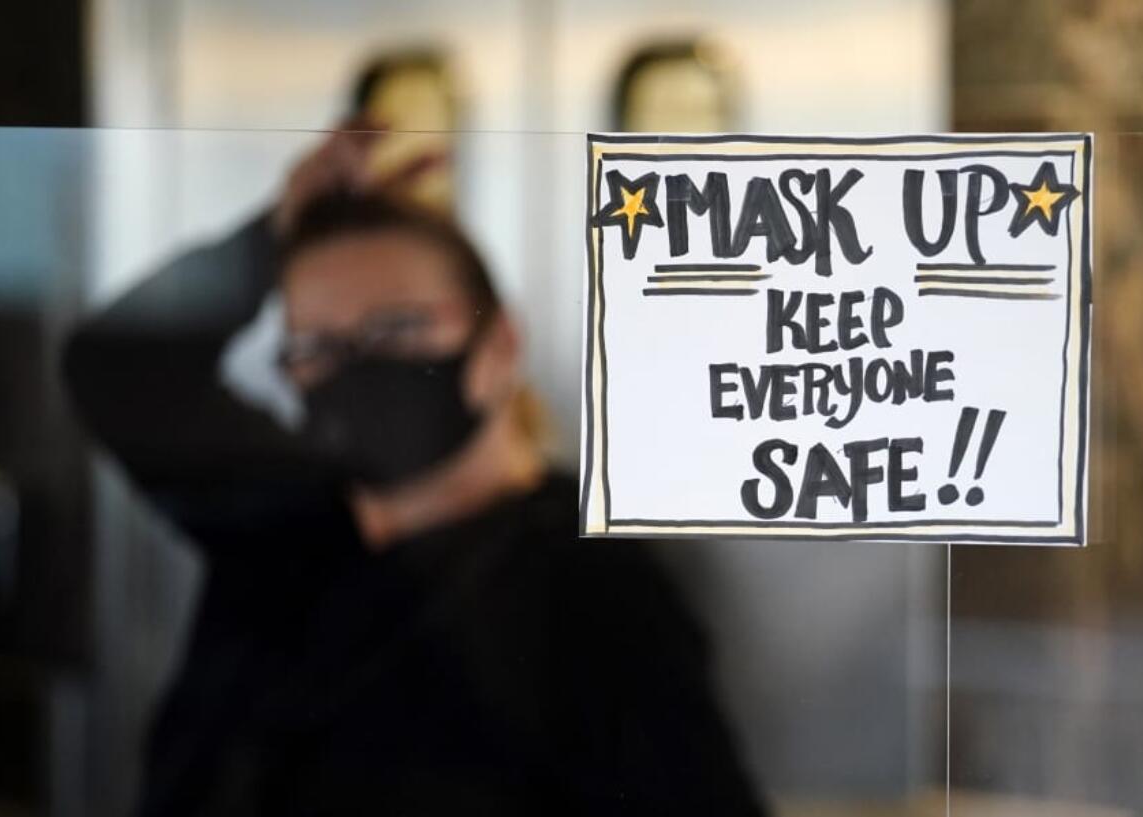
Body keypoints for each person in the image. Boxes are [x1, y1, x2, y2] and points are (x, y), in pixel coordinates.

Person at [63, 128, 764, 816]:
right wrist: (271, 231)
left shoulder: (592, 590)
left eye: (397, 328)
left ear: (500, 344)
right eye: (316, 345)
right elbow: (115, 367)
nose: (355, 366)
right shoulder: (285, 521)